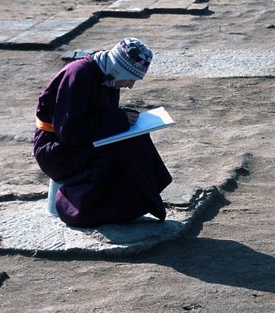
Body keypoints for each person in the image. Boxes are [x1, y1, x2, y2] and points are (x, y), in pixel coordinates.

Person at [33, 37, 172, 228]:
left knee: (137, 141)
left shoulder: (107, 76)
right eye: (130, 78)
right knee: (120, 153)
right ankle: (74, 207)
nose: (130, 86)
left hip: (78, 142)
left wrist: (123, 118)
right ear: (118, 68)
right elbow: (70, 132)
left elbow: (98, 117)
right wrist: (118, 120)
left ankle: (134, 206)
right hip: (55, 148)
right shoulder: (78, 75)